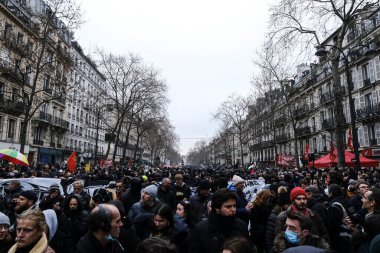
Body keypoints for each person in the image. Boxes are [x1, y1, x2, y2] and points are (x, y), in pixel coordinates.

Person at [187, 188, 249, 253]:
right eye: (228, 207)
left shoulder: (241, 226)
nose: (233, 209)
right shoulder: (201, 229)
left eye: (234, 206)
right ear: (217, 208)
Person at [326, 183, 353, 253]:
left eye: (328, 192)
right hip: (350, 233)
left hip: (342, 237)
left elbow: (334, 226)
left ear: (331, 193)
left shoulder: (335, 205)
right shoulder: (346, 200)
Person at [266, 186, 291, 253]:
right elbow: (269, 236)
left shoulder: (290, 214)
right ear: (282, 204)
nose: (289, 206)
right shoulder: (274, 216)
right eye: (287, 204)